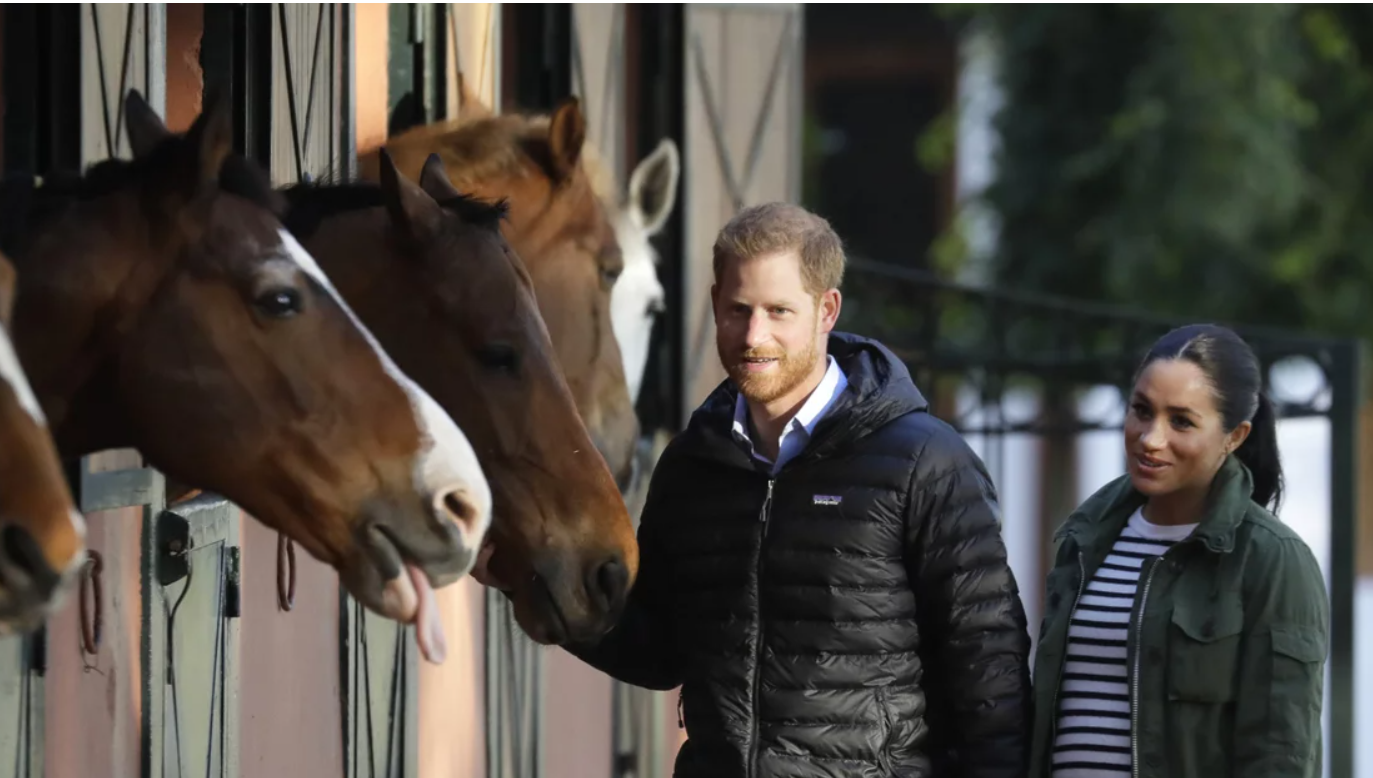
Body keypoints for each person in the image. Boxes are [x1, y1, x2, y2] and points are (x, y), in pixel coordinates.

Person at [568, 202, 1033, 778]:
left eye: (778, 311)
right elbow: (661, 650)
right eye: (738, 310)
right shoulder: (692, 465)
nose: (753, 335)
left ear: (826, 310)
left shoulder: (925, 463)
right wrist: (539, 585)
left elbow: (989, 676)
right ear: (715, 303)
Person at [1029, 324, 1330, 778]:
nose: (1151, 438)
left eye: (1182, 421)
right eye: (1141, 411)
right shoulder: (1084, 541)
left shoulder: (1271, 559)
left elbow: (1281, 753)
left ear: (1235, 436)